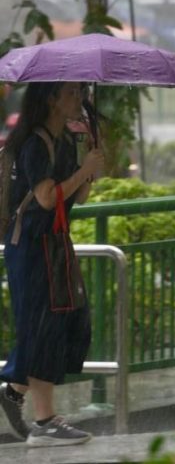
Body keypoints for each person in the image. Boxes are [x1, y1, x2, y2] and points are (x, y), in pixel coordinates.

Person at [0, 81, 104, 447]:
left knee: (67, 320)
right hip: (30, 247)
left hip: (54, 244)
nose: (80, 99)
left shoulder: (63, 141)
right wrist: (82, 171)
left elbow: (78, 194)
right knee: (43, 326)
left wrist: (90, 165)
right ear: (51, 99)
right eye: (73, 93)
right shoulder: (34, 144)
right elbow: (46, 198)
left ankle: (13, 390)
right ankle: (44, 421)